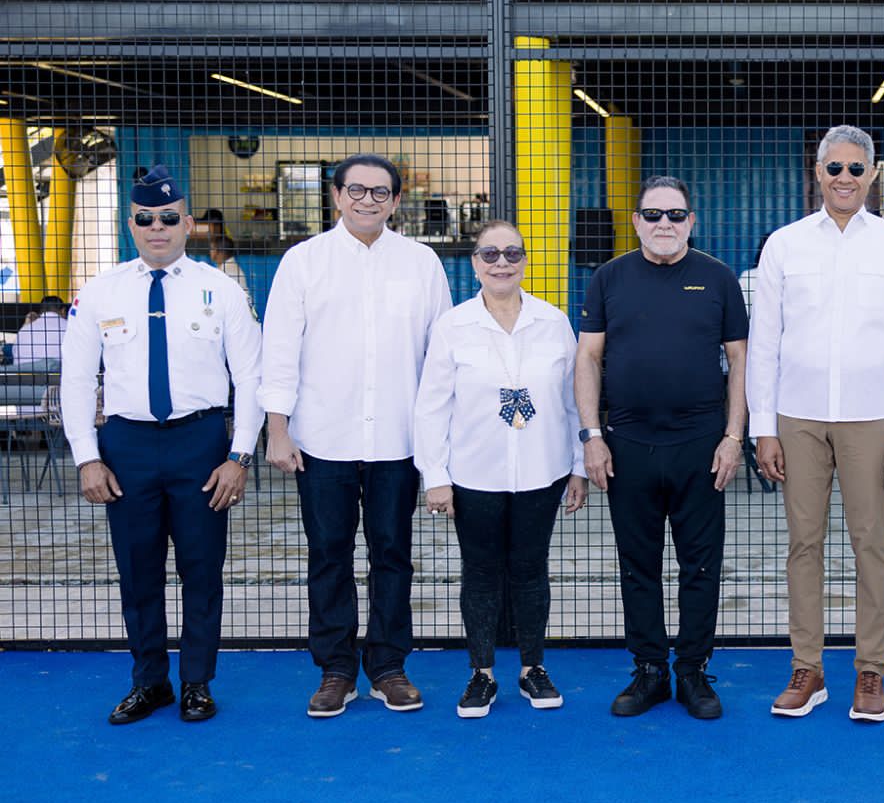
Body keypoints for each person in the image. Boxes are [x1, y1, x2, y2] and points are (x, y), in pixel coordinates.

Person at [59, 166, 262, 724]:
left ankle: (196, 682)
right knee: (138, 571)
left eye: (169, 218)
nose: (157, 228)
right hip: (126, 446)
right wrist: (87, 457)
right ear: (130, 224)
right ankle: (150, 682)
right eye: (145, 219)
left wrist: (239, 456)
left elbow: (251, 378)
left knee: (202, 569)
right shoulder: (100, 292)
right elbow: (77, 379)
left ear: (188, 224)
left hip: (201, 443)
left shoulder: (222, 290)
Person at [748, 124, 884, 723]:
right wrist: (763, 427)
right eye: (834, 168)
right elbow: (763, 343)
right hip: (797, 417)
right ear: (818, 173)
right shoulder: (784, 245)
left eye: (856, 168)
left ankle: (871, 669)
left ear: (872, 174)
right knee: (803, 544)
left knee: (870, 544)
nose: (845, 178)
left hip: (872, 418)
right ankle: (808, 668)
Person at [260, 153, 453, 718]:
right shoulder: (303, 261)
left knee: (393, 554)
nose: (368, 200)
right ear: (337, 195)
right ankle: (336, 670)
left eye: (380, 192)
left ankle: (388, 667)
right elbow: (279, 350)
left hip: (398, 438)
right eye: (357, 190)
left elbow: (440, 357)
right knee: (329, 555)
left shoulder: (421, 263)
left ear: (396, 201)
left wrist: (439, 445)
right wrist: (277, 430)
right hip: (323, 437)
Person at [576, 176, 748, 720]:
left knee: (701, 566)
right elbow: (588, 358)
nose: (664, 224)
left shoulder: (718, 278)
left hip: (701, 446)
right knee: (638, 566)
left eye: (675, 215)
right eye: (653, 215)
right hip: (628, 445)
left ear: (691, 221)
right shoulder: (609, 278)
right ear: (636, 222)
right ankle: (649, 669)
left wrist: (733, 437)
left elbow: (740, 361)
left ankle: (692, 670)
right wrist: (592, 437)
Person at [414, 220, 587, 718]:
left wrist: (578, 466)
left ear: (525, 261)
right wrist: (435, 476)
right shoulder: (453, 326)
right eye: (490, 254)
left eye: (512, 253)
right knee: (481, 573)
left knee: (531, 570)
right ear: (475, 264)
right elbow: (431, 406)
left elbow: (573, 400)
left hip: (541, 470)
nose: (502, 263)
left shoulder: (553, 322)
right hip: (475, 474)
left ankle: (533, 668)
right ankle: (482, 673)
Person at [12, 294, 68, 368]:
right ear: (63, 311)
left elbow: (15, 351)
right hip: (58, 374)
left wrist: (26, 325)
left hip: (23, 374)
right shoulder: (69, 327)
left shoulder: (24, 330)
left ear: (40, 311)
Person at [208, 233, 254, 316]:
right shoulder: (230, 267)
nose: (210, 252)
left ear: (219, 251)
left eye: (212, 249)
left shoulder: (225, 272)